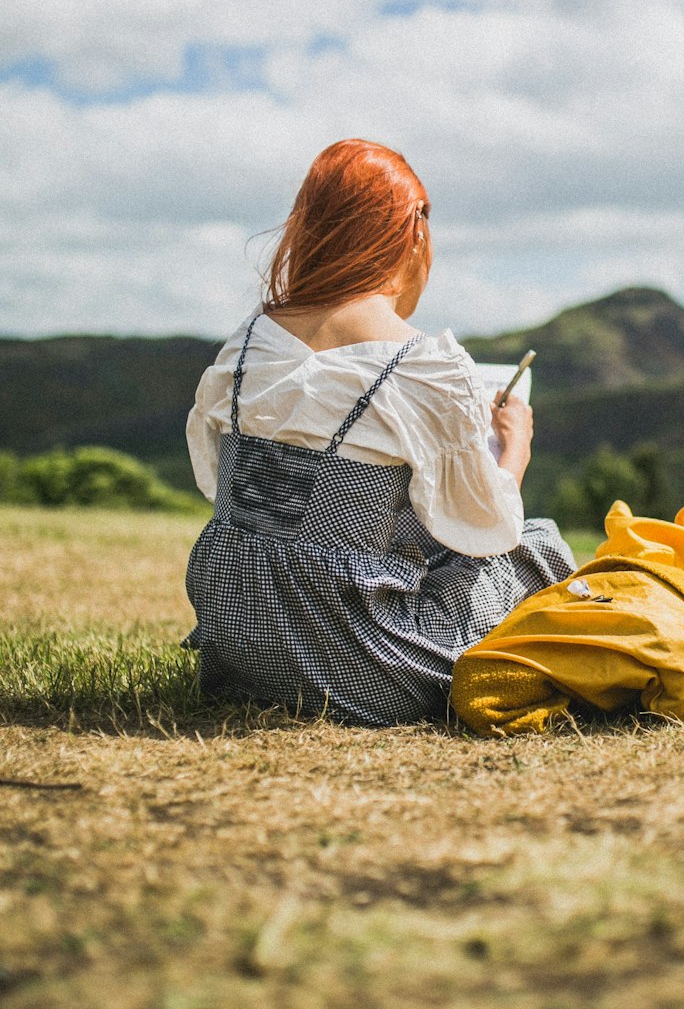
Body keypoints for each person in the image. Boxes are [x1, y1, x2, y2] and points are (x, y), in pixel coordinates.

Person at [182, 138, 574, 725]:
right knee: (536, 545)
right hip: (356, 667)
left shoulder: (247, 343)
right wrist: (513, 449)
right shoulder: (422, 365)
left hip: (238, 642)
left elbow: (228, 488)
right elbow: (487, 528)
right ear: (413, 232)